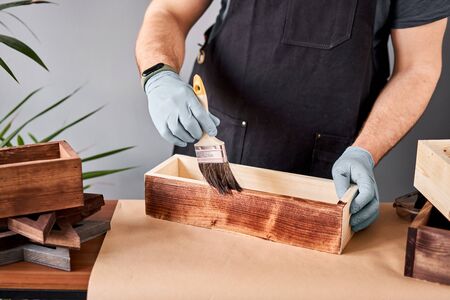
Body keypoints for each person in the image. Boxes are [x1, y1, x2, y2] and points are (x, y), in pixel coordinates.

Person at [136, 0, 449, 232]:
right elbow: (169, 11)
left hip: (327, 173)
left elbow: (417, 67)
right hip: (216, 150)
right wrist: (158, 75)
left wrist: (365, 151)